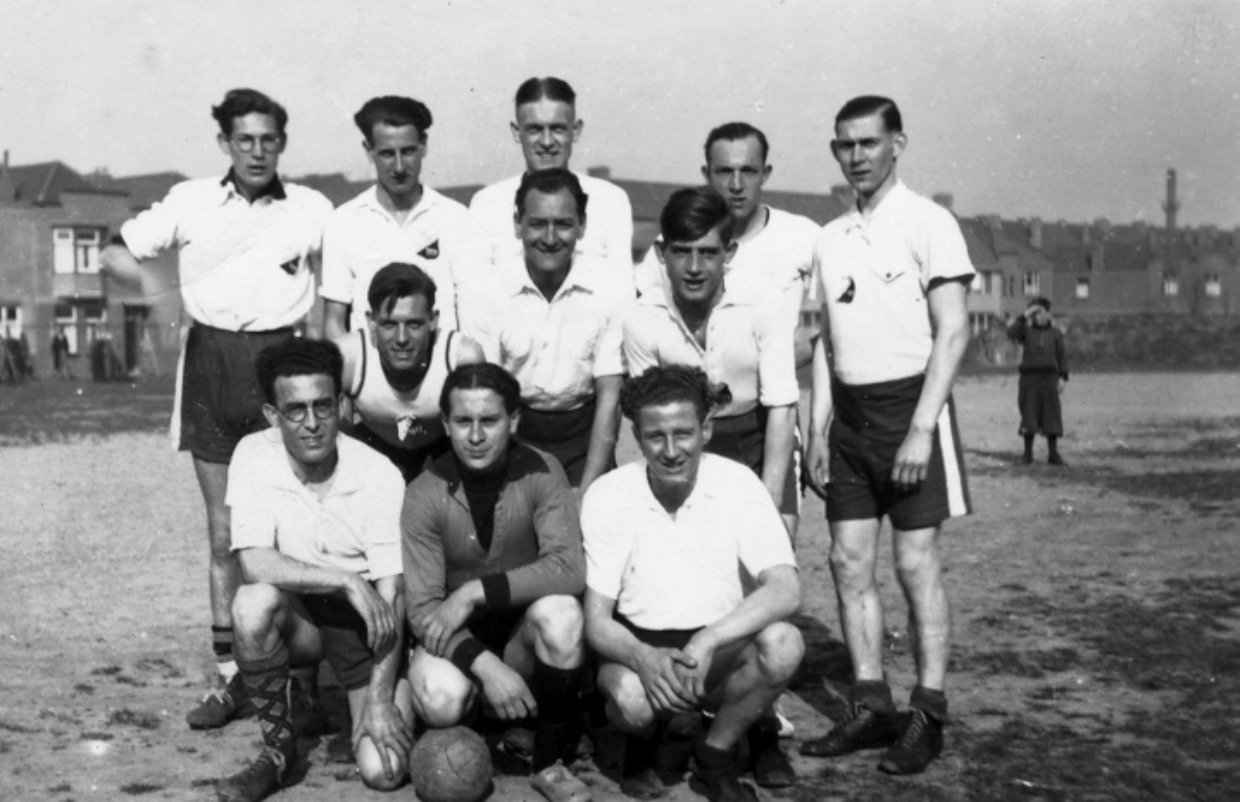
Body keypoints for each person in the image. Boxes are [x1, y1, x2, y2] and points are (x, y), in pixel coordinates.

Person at [100, 88, 334, 728]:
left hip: (281, 367)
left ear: (282, 143)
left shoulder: (311, 208)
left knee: (292, 530)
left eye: (268, 139)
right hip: (209, 366)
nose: (256, 151)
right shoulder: (191, 200)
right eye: (244, 139)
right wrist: (163, 292)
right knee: (224, 533)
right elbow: (116, 251)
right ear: (224, 143)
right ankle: (235, 679)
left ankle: (302, 683)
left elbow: (343, 287)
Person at [802, 96, 974, 775]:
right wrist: (818, 426)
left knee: (914, 564)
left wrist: (922, 429)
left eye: (869, 143)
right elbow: (825, 338)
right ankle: (871, 706)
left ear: (897, 143)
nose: (857, 156)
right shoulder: (830, 237)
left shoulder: (929, 222)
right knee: (847, 563)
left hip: (912, 410)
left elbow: (953, 330)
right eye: (845, 145)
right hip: (849, 419)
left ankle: (927, 714)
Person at [582, 366, 804, 802]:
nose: (670, 451)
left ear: (706, 429)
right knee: (632, 701)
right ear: (635, 434)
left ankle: (714, 753)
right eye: (655, 436)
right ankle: (644, 745)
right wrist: (642, 657)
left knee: (784, 643)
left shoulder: (739, 482)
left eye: (683, 433)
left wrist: (708, 639)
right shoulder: (608, 494)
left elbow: (786, 589)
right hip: (640, 648)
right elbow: (596, 622)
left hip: (716, 650)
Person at [216, 338, 411, 802]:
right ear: (272, 415)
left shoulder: (379, 472)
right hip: (303, 613)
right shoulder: (252, 454)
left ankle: (335, 695)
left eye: (322, 406)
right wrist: (344, 580)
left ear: (341, 405)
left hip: (363, 621)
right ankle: (278, 752)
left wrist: (380, 697)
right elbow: (254, 562)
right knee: (251, 603)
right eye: (295, 410)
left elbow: (393, 594)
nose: (311, 423)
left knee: (384, 771)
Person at [402, 363, 589, 775]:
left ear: (514, 420)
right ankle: (479, 731)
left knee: (562, 613)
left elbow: (569, 568)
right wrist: (487, 667)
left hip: (522, 636)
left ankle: (551, 761)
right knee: (439, 698)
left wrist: (473, 592)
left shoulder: (543, 469)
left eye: (489, 420)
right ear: (446, 424)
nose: (475, 436)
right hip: (460, 640)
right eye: (462, 421)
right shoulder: (424, 492)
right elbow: (423, 610)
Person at [624, 187, 799, 538]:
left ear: (728, 253)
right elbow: (650, 418)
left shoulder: (765, 303)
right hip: (683, 446)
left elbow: (782, 406)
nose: (694, 268)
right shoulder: (642, 316)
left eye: (707, 253)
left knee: (770, 550)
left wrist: (768, 500)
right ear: (661, 253)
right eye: (681, 252)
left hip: (759, 441)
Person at [467, 168, 632, 493]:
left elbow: (610, 397)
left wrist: (588, 492)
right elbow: (486, 396)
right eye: (538, 224)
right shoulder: (487, 288)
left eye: (564, 224)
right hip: (513, 430)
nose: (550, 238)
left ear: (582, 225)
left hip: (585, 434)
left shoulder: (611, 285)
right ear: (517, 224)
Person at [635, 122, 819, 368]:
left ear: (765, 174)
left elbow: (853, 306)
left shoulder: (800, 234)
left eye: (748, 171)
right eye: (724, 171)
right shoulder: (680, 241)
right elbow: (632, 310)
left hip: (774, 387)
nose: (736, 185)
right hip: (694, 386)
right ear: (706, 174)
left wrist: (810, 348)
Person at [322, 96, 486, 339]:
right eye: (387, 154)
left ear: (424, 145)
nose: (399, 167)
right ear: (369, 151)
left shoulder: (457, 219)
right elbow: (334, 322)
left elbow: (475, 317)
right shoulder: (343, 222)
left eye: (408, 151)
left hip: (442, 361)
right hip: (370, 362)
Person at [334, 262, 485, 484]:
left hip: (443, 447)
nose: (402, 338)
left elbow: (479, 433)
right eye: (389, 325)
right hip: (375, 442)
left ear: (433, 321)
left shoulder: (460, 357)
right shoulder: (349, 356)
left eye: (414, 324)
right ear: (371, 322)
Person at [469, 77, 633, 274]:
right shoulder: (486, 205)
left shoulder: (611, 202)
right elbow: (477, 284)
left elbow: (620, 282)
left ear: (575, 131)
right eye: (535, 129)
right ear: (516, 132)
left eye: (557, 128)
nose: (547, 142)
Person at [1006, 297, 1068, 465]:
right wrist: (1026, 314)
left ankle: (1053, 454)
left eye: (1041, 313)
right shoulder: (1026, 332)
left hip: (1049, 379)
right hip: (1029, 379)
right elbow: (1011, 332)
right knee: (1029, 414)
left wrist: (1063, 377)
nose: (1038, 317)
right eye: (1035, 314)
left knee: (1051, 416)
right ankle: (1027, 455)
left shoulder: (1055, 334)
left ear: (1048, 314)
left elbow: (1061, 356)